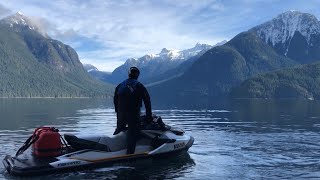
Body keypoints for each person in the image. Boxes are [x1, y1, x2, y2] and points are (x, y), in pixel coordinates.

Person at [113, 66, 152, 154]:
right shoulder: (139, 85)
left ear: (129, 74)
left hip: (121, 114)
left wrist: (118, 113)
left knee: (119, 130)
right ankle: (129, 156)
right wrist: (149, 117)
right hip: (133, 114)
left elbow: (115, 100)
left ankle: (112, 150)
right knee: (132, 134)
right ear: (137, 75)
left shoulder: (120, 85)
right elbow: (147, 102)